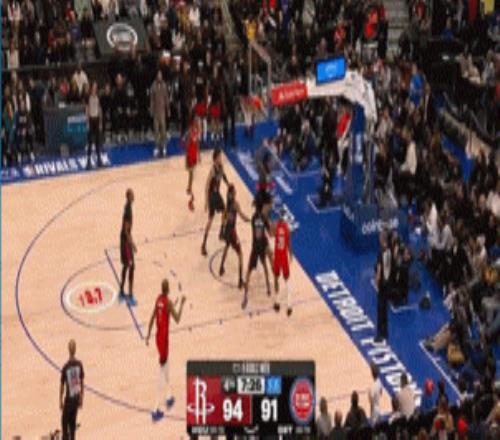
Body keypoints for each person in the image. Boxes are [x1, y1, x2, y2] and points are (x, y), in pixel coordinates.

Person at [145, 279, 186, 422]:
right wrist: (182, 304)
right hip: (164, 341)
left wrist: (148, 335)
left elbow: (152, 317)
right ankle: (155, 409)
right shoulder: (168, 303)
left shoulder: (159, 300)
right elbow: (178, 319)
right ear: (168, 289)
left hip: (158, 338)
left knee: (166, 367)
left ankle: (169, 397)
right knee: (162, 373)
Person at [242, 193, 273, 309]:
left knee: (250, 271)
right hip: (259, 246)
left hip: (255, 246)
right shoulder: (262, 218)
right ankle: (268, 288)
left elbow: (260, 233)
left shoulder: (255, 217)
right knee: (264, 267)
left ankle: (246, 295)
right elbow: (263, 234)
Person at [219, 184, 250, 288]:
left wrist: (222, 230)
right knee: (240, 254)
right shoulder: (235, 204)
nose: (236, 192)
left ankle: (221, 267)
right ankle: (240, 280)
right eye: (235, 191)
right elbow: (241, 216)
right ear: (232, 193)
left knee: (227, 247)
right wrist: (249, 220)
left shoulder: (227, 203)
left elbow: (223, 217)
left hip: (227, 230)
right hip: (232, 231)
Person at [201, 148, 228, 256]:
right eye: (220, 157)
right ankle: (203, 244)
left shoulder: (221, 167)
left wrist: (228, 184)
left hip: (217, 194)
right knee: (211, 219)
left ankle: (221, 232)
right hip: (212, 195)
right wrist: (206, 201)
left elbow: (223, 176)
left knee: (224, 211)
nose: (221, 158)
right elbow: (207, 185)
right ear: (216, 158)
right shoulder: (212, 170)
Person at [59, 340, 84, 440]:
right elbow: (82, 382)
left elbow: (62, 385)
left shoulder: (66, 367)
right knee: (72, 423)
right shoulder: (79, 365)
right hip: (76, 397)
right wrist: (81, 398)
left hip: (69, 399)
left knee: (64, 422)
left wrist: (60, 400)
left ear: (68, 350)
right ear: (75, 350)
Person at [273, 207, 293, 316]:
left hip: (277, 256)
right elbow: (289, 244)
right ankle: (288, 305)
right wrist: (291, 254)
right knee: (286, 281)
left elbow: (271, 234)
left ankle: (277, 303)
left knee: (277, 279)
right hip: (283, 257)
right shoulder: (286, 228)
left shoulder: (276, 226)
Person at [119, 189, 137, 305]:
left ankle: (121, 290)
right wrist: (132, 243)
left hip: (124, 240)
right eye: (132, 194)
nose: (134, 196)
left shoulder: (128, 207)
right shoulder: (128, 211)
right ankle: (130, 295)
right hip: (126, 242)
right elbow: (126, 230)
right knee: (131, 266)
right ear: (129, 196)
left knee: (126, 265)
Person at [375, 232, 391, 341]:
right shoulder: (389, 251)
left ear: (382, 239)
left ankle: (379, 334)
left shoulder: (381, 253)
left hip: (382, 283)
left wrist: (377, 282)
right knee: (384, 308)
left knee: (380, 309)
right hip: (388, 282)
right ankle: (385, 332)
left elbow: (379, 270)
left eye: (380, 237)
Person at [150, 70, 169, 157]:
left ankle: (164, 146)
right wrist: (151, 110)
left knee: (163, 130)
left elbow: (166, 98)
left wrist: (168, 109)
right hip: (155, 112)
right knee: (156, 130)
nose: (159, 76)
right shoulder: (153, 86)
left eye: (161, 75)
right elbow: (151, 99)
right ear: (156, 76)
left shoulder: (164, 85)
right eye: (158, 75)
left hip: (162, 111)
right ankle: (157, 147)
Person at [185, 116, 201, 211]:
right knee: (191, 174)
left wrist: (199, 155)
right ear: (194, 123)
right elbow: (187, 143)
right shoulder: (190, 131)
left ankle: (189, 188)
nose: (198, 124)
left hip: (194, 154)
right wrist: (187, 155)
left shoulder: (197, 131)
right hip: (190, 154)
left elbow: (197, 143)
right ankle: (189, 189)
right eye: (197, 122)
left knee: (192, 174)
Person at [86, 82, 102, 169]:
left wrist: (100, 122)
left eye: (96, 87)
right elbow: (87, 110)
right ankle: (88, 161)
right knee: (90, 142)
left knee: (97, 141)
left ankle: (99, 160)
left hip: (96, 119)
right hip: (91, 120)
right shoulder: (88, 98)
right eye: (93, 87)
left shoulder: (98, 97)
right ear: (91, 88)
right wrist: (87, 122)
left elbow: (99, 109)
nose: (94, 89)